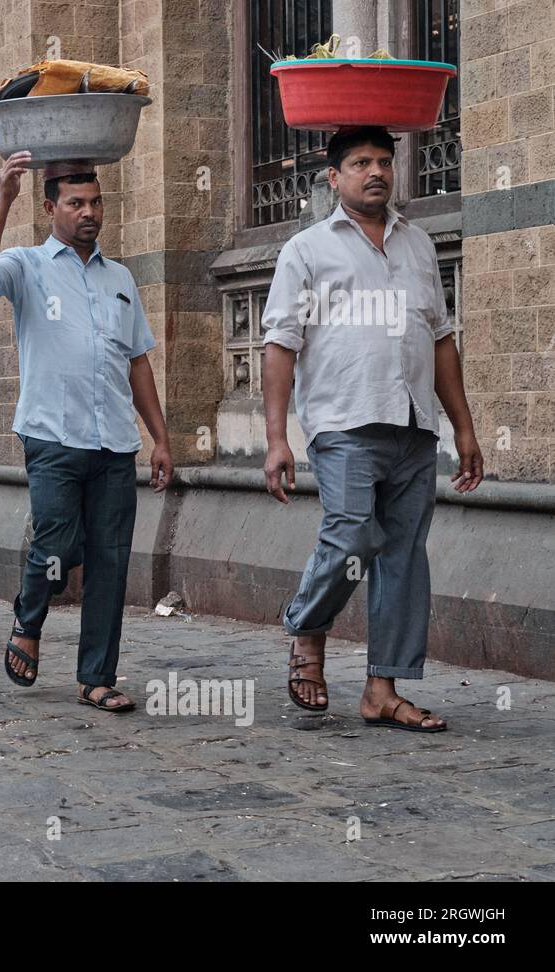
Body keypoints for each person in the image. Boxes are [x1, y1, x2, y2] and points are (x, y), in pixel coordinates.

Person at [261, 127, 483, 733]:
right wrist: (278, 438)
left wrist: (462, 427)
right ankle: (307, 622)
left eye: (384, 161)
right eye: (360, 163)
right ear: (334, 178)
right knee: (353, 536)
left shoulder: (418, 245)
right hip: (344, 421)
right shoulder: (306, 250)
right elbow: (281, 344)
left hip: (414, 424)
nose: (376, 172)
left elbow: (440, 340)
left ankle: (382, 690)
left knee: (405, 556)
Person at [0, 154, 173, 713]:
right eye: (76, 203)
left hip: (114, 444)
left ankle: (96, 677)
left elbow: (138, 362)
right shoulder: (27, 265)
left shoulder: (121, 278)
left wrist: (159, 437)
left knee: (110, 559)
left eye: (96, 202)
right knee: (56, 544)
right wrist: (2, 198)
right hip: (53, 438)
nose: (89, 212)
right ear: (50, 207)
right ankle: (27, 618)